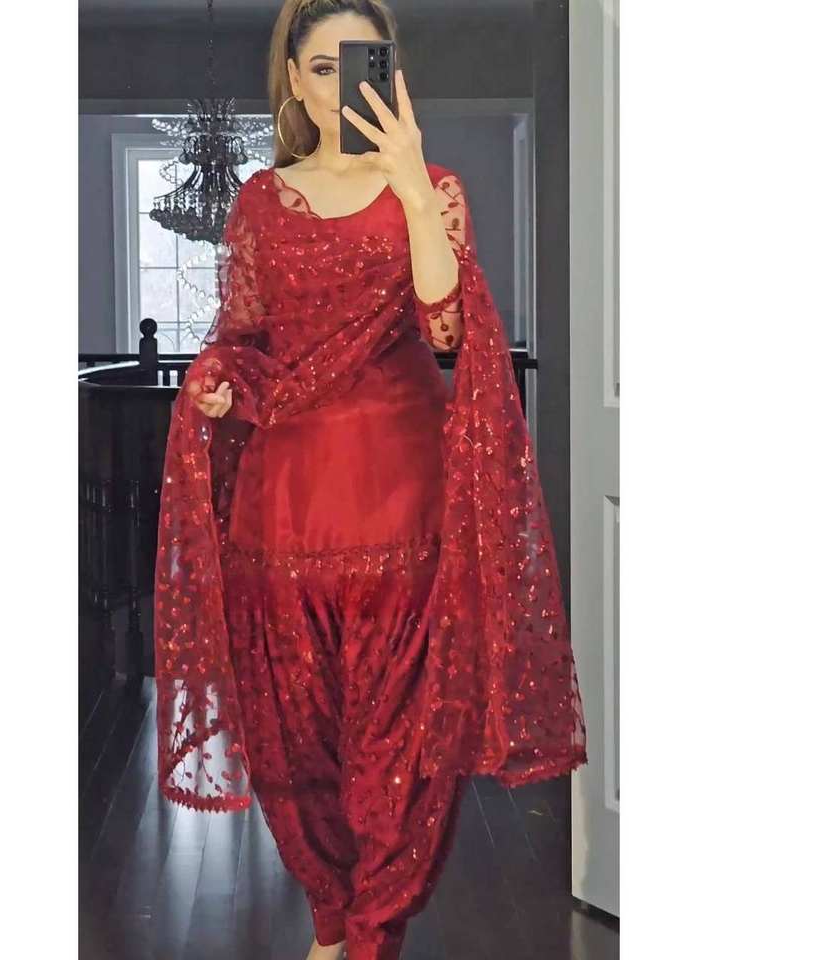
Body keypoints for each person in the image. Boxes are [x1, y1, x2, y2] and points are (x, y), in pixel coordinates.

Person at [153, 2, 588, 958]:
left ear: (388, 69)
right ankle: (332, 922)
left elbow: (447, 324)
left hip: (404, 505)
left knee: (404, 749)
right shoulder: (262, 201)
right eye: (322, 67)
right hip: (283, 511)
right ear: (294, 82)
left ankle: (369, 936)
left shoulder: (430, 189)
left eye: (361, 61)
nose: (341, 83)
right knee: (293, 747)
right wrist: (221, 382)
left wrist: (412, 185)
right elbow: (248, 340)